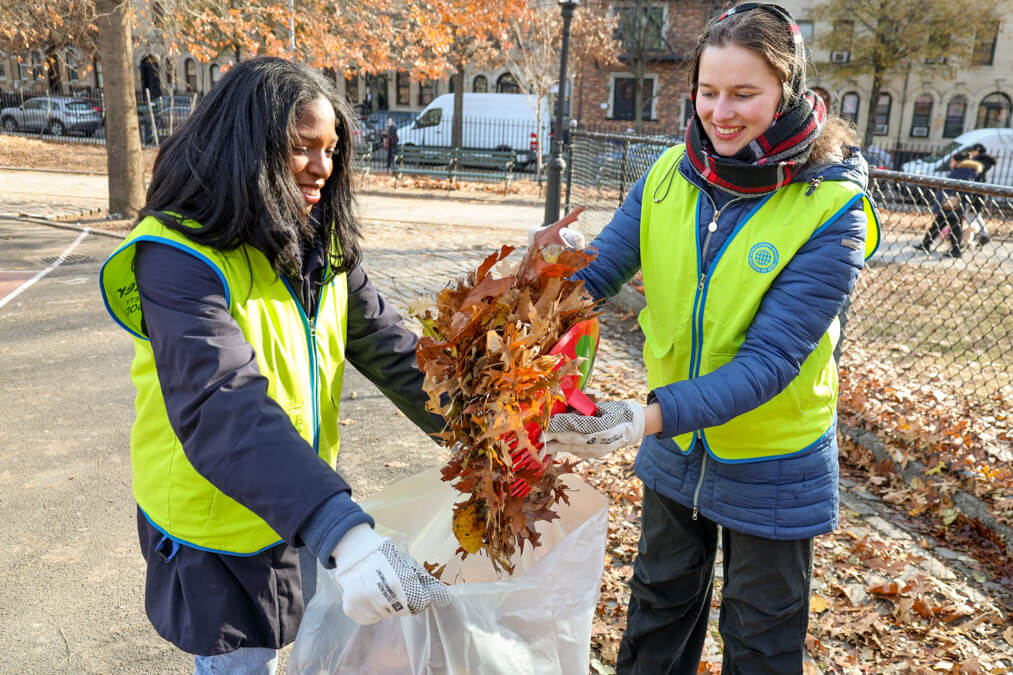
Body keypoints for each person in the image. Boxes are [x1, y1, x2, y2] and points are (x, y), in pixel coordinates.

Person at [537, 3, 879, 672]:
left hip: (773, 459)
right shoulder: (669, 173)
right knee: (656, 612)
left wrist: (641, 416)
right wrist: (546, 273)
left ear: (787, 92)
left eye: (744, 94)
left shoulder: (832, 208)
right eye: (708, 91)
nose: (719, 112)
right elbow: (601, 271)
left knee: (758, 641)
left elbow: (770, 361)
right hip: (676, 448)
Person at [99, 57, 449, 674]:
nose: (323, 168)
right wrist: (341, 526)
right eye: (301, 147)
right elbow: (221, 402)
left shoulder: (318, 240)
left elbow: (395, 351)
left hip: (296, 505)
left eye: (332, 149)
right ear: (249, 146)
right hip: (218, 531)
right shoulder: (175, 255)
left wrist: (494, 428)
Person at [913, 151, 982, 257]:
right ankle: (927, 244)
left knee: (951, 227)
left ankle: (954, 250)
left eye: (952, 161)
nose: (950, 164)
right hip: (954, 203)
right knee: (943, 225)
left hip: (951, 203)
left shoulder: (961, 171)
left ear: (958, 162)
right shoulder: (967, 171)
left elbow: (951, 186)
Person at [966, 142, 995, 245]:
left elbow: (975, 177)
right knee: (974, 215)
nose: (971, 153)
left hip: (976, 193)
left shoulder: (978, 163)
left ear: (977, 151)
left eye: (972, 151)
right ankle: (982, 234)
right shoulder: (985, 162)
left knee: (970, 215)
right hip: (979, 192)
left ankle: (980, 234)